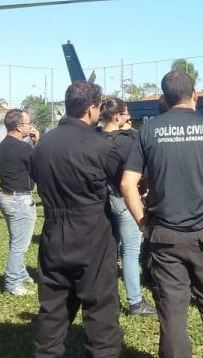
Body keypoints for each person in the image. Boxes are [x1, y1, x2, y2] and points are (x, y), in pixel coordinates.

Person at [121, 70, 203, 357]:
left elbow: (128, 183)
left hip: (164, 237)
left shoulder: (148, 131)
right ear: (195, 95)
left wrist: (143, 223)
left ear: (164, 98)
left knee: (172, 314)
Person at [32, 82, 123, 357]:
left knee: (52, 309)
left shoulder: (43, 143)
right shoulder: (99, 146)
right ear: (89, 109)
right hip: (91, 233)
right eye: (98, 107)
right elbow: (124, 181)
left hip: (53, 233)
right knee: (101, 310)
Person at [99, 98, 156, 316]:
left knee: (109, 251)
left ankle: (106, 296)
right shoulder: (126, 142)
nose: (128, 116)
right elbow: (142, 168)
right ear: (118, 116)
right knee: (131, 252)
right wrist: (144, 187)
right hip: (124, 200)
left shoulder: (95, 138)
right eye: (126, 113)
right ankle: (135, 301)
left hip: (104, 198)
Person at [0, 108, 39, 296]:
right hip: (19, 199)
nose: (31, 126)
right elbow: (40, 164)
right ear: (19, 126)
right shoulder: (23, 147)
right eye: (28, 123)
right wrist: (38, 142)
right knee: (19, 245)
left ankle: (20, 274)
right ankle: (13, 284)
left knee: (16, 240)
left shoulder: (5, 144)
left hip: (6, 197)